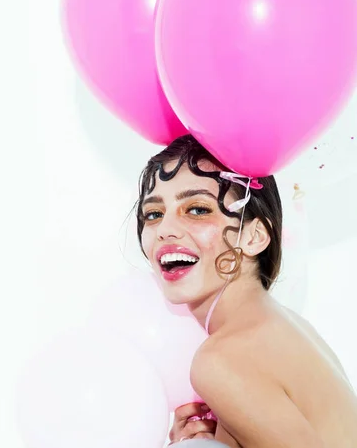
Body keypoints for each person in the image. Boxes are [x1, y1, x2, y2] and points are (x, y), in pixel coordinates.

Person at [135, 134, 357, 447]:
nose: (165, 230)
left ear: (254, 237)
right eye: (153, 214)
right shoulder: (285, 323)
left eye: (197, 209)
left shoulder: (221, 359)